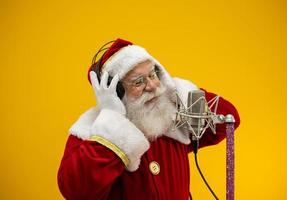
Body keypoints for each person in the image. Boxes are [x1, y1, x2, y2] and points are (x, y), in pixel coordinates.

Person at [57, 38, 240, 200]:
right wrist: (112, 118)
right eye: (139, 81)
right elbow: (76, 191)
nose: (152, 86)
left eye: (153, 75)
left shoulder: (171, 119)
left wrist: (182, 91)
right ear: (117, 92)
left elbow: (229, 121)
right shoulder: (90, 133)